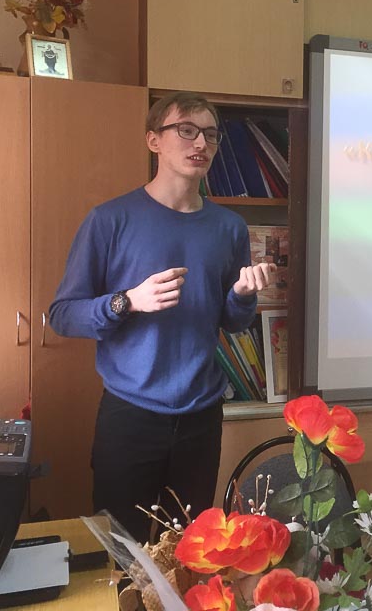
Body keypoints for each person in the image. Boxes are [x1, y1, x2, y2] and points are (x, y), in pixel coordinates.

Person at [49, 91, 276, 542]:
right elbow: (63, 315)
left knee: (190, 551)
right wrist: (128, 301)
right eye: (186, 130)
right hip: (130, 416)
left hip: (201, 417)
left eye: (210, 134)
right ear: (154, 140)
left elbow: (231, 322)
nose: (201, 143)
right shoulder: (109, 220)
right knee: (123, 551)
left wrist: (241, 296)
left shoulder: (228, 228)